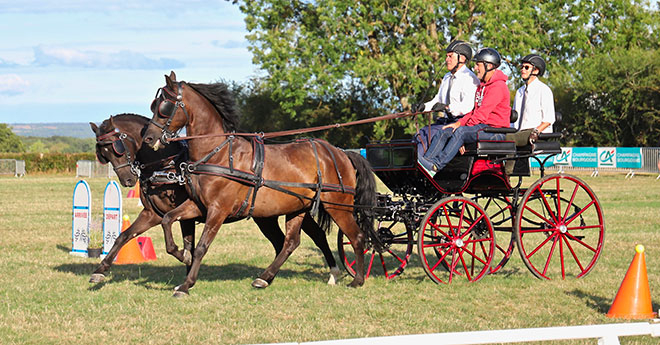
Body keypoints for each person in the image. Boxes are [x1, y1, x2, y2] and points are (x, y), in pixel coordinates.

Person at [418, 48, 511, 176]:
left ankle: (435, 166)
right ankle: (425, 164)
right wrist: (457, 124)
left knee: (461, 133)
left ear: (488, 66)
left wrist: (463, 130)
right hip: (482, 127)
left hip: (495, 130)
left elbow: (481, 115)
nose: (475, 68)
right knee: (445, 130)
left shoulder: (498, 87)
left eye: (478, 64)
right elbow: (474, 112)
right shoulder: (482, 86)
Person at [412, 40, 479, 157]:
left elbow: (468, 106)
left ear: (462, 58)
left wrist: (447, 108)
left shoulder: (470, 78)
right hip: (445, 120)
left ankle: (421, 165)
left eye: (450, 56)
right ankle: (411, 164)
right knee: (421, 133)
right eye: (446, 56)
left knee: (430, 134)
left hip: (460, 122)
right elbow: (437, 100)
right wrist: (423, 107)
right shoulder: (447, 77)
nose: (447, 59)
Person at [507, 54, 556, 146]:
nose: (522, 70)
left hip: (537, 133)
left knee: (508, 140)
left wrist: (536, 131)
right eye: (521, 67)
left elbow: (549, 119)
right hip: (519, 132)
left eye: (526, 67)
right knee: (499, 137)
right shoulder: (519, 92)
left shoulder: (543, 90)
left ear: (536, 70)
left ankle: (511, 161)